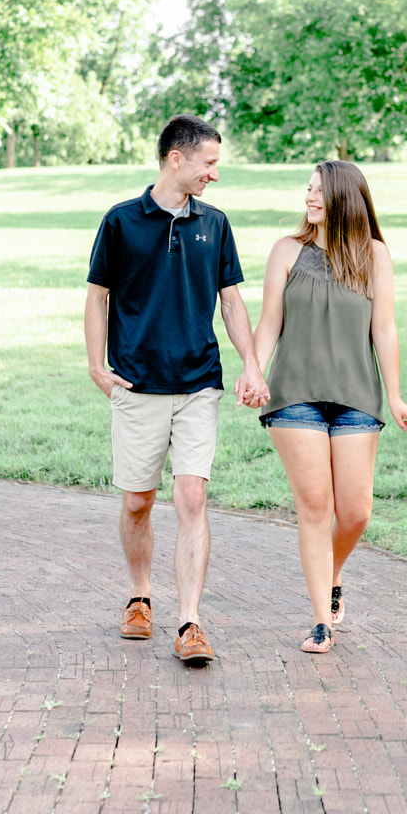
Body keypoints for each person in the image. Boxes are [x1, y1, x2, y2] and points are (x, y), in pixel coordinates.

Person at [84, 116, 265, 666]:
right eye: (209, 162)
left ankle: (191, 621)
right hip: (137, 385)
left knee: (192, 496)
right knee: (138, 501)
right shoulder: (120, 222)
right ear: (175, 159)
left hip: (197, 384)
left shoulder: (215, 223)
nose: (215, 173)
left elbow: (231, 302)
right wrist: (97, 365)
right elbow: (98, 296)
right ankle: (140, 596)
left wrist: (252, 366)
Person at [248, 160, 407, 654]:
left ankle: (333, 572)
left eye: (319, 191)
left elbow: (383, 329)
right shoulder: (287, 251)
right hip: (294, 395)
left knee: (357, 512)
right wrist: (254, 370)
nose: (309, 198)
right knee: (316, 508)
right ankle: (321, 620)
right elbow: (269, 324)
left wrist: (396, 395)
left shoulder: (374, 255)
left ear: (345, 197)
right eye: (307, 189)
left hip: (356, 396)